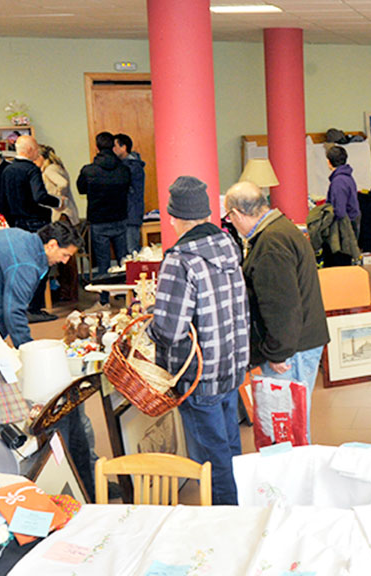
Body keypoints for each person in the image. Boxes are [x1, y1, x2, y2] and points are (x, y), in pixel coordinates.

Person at [148, 176, 249, 506]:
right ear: (207, 214)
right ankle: (242, 510)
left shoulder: (180, 260)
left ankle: (227, 519)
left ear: (174, 217)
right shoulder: (228, 245)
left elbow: (169, 330)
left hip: (199, 374)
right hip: (231, 364)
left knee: (210, 457)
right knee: (230, 447)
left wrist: (150, 323)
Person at [223, 181, 329, 444]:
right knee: (294, 423)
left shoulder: (271, 243)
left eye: (230, 218)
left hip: (292, 348)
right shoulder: (280, 229)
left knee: (286, 427)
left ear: (236, 214)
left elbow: (282, 306)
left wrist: (278, 352)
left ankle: (292, 483)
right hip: (301, 340)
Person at [0, 221, 80, 346]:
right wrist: (27, 347)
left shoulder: (22, 236)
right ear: (51, 245)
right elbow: (14, 310)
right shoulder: (26, 264)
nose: (65, 261)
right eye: (65, 255)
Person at [1, 134, 62, 322]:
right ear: (29, 150)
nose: (37, 152)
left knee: (21, 267)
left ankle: (21, 307)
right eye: (35, 148)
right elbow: (40, 197)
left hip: (17, 224)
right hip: (36, 223)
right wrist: (58, 202)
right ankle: (35, 308)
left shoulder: (7, 171)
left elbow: (3, 201)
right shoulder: (31, 170)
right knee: (41, 265)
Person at [77, 131, 131, 298]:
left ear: (96, 147)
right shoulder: (124, 169)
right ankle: (125, 295)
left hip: (98, 220)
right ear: (113, 146)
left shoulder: (89, 170)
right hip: (120, 218)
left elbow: (81, 189)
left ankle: (104, 298)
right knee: (123, 259)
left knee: (103, 262)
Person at [324, 144, 360, 266]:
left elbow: (339, 211)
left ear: (329, 162)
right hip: (351, 222)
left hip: (343, 229)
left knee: (338, 263)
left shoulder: (338, 181)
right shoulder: (348, 178)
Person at [114, 133, 147, 253]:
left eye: (115, 146)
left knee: (131, 250)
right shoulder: (131, 165)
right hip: (128, 213)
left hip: (131, 214)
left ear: (124, 147)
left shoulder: (132, 167)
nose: (113, 149)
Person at [37, 145, 79, 225]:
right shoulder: (57, 167)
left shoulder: (49, 170)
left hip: (61, 212)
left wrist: (58, 197)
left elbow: (63, 184)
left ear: (41, 157)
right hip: (68, 211)